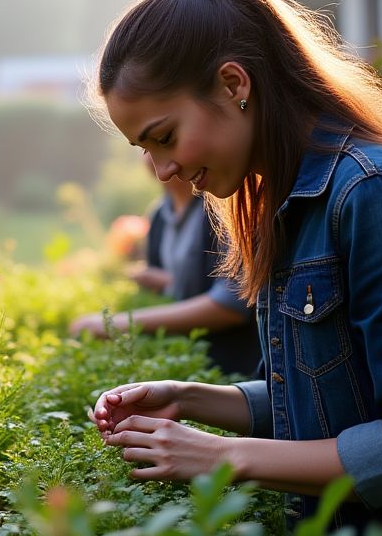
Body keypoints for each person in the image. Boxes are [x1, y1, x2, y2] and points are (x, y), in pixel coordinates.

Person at [92, 0, 382, 536]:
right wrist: (199, 400)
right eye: (144, 150)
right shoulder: (284, 206)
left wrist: (220, 458)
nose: (162, 170)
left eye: (164, 136)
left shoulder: (371, 194)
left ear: (234, 84)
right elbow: (329, 401)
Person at [70, 157, 260, 376]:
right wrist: (163, 281)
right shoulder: (160, 214)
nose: (153, 155)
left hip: (232, 369)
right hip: (184, 356)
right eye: (142, 147)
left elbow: (232, 304)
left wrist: (115, 324)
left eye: (164, 137)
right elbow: (173, 284)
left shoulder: (224, 207)